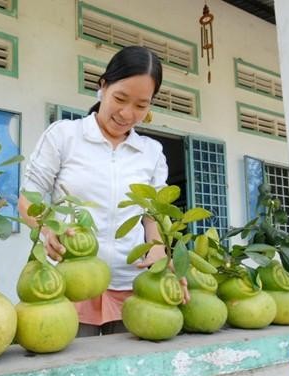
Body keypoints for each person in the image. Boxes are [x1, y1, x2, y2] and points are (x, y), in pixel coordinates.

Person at [18, 45, 189, 337]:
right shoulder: (65, 136)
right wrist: (48, 231)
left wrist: (160, 250)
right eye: (120, 99)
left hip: (132, 287)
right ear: (103, 87)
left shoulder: (151, 152)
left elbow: (152, 215)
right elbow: (28, 198)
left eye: (141, 105)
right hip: (70, 282)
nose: (127, 113)